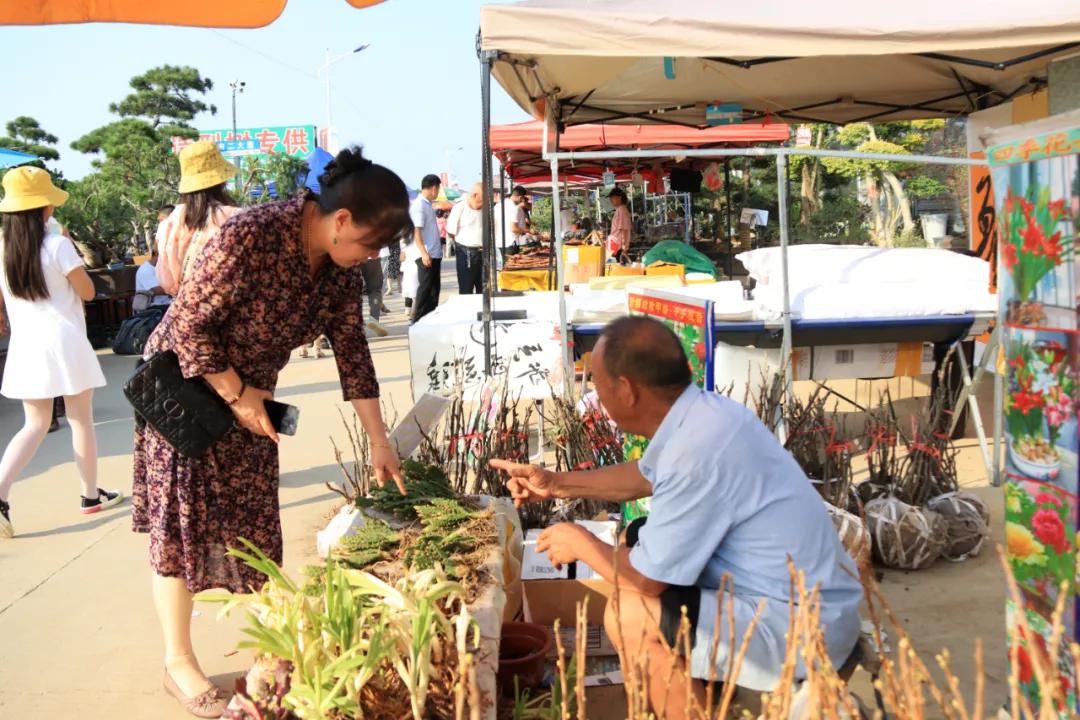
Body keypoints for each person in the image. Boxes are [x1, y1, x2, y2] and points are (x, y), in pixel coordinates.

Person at [132, 146, 410, 717]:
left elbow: (352, 354)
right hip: (187, 391)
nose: (369, 258)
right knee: (183, 525)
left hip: (251, 399)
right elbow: (187, 326)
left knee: (254, 521)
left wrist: (380, 441)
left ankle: (272, 649)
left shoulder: (337, 272)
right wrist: (237, 394)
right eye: (370, 244)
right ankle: (178, 660)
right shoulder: (250, 236)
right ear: (339, 221)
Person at [491, 316, 862, 719]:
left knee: (630, 614)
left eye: (597, 383)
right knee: (633, 540)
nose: (594, 394)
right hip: (791, 598)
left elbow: (648, 581)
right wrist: (557, 483)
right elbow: (642, 475)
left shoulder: (696, 450)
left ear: (627, 390)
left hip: (802, 627)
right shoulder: (702, 417)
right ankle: (698, 692)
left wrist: (581, 542)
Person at [0, 167, 124, 539]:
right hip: (65, 340)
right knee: (79, 420)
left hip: (27, 344)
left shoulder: (4, 250)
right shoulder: (56, 244)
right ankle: (90, 495)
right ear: (44, 208)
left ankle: (0, 494)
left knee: (34, 425)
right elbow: (87, 292)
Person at [156, 141, 241, 296]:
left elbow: (165, 280)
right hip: (231, 310)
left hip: (187, 312)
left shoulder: (169, 225)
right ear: (222, 181)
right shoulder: (235, 218)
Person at [409, 174, 443, 324]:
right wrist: (423, 253)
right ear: (434, 187)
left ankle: (429, 319)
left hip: (434, 253)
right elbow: (416, 231)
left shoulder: (427, 204)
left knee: (434, 290)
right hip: (426, 254)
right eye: (438, 188)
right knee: (426, 288)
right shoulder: (419, 206)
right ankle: (416, 319)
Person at [446, 182, 485, 295]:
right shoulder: (460, 207)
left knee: (483, 288)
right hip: (465, 252)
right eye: (480, 201)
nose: (481, 205)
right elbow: (451, 231)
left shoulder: (486, 208)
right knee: (466, 289)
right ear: (474, 195)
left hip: (483, 252)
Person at [360, 257, 388, 337]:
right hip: (372, 257)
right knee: (375, 290)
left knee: (353, 292)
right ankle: (374, 319)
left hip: (352, 257)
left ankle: (357, 325)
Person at [606, 187, 632, 262]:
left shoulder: (621, 209)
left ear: (619, 198)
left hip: (618, 246)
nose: (611, 201)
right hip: (616, 245)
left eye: (612, 198)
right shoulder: (621, 209)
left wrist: (624, 247)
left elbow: (623, 229)